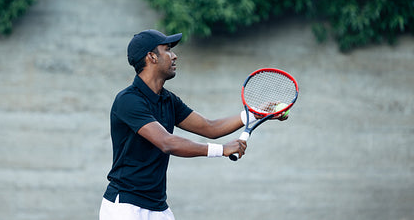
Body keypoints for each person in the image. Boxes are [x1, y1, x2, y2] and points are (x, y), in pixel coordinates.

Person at [99, 29, 287, 220]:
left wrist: (256, 113)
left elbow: (209, 127)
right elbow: (167, 142)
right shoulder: (128, 101)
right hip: (124, 207)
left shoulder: (168, 100)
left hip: (158, 207)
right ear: (151, 57)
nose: (174, 56)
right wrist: (221, 150)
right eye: (167, 50)